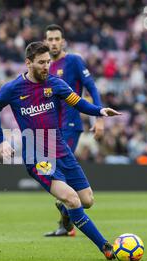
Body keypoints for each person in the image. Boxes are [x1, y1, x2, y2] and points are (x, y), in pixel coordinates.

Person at [0, 42, 121, 260]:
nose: (46, 66)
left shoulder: (55, 84)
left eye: (48, 61)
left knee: (87, 200)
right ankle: (104, 246)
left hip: (61, 149)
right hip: (36, 155)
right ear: (28, 63)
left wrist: (100, 111)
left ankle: (65, 210)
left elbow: (78, 103)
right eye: (41, 62)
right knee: (73, 199)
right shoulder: (12, 88)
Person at [44, 24, 105, 237]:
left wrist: (98, 118)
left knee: (63, 176)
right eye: (49, 39)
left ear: (63, 41)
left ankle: (66, 216)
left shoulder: (74, 61)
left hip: (70, 126)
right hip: (52, 129)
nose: (53, 43)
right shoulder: (45, 67)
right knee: (58, 177)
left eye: (56, 39)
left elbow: (92, 87)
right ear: (45, 42)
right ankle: (65, 220)